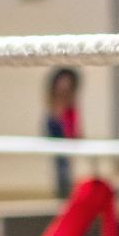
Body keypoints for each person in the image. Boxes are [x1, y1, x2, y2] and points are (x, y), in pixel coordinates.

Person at [42, 68, 80, 198]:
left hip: (67, 144)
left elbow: (74, 129)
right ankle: (62, 194)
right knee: (60, 171)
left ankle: (66, 194)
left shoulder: (71, 109)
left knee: (65, 171)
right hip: (56, 143)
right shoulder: (52, 108)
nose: (63, 88)